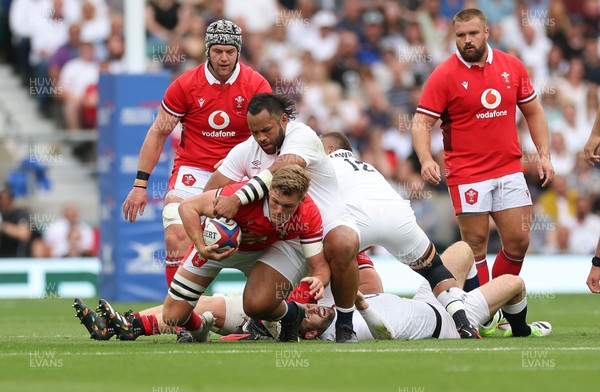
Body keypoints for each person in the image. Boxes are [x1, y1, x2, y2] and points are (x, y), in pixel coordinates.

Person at [85, 165, 330, 342]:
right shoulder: (238, 196)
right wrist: (201, 245)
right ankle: (198, 327)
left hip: (268, 249)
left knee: (256, 304)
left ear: (301, 200)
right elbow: (187, 206)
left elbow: (318, 265)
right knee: (173, 315)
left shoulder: (308, 213)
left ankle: (291, 314)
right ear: (269, 191)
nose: (278, 209)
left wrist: (319, 278)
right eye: (274, 201)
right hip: (216, 247)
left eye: (287, 206)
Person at [411, 8, 555, 286]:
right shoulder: (443, 75)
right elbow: (420, 122)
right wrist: (426, 159)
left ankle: (494, 301)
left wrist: (544, 156)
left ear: (486, 33)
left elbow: (534, 111)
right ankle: (485, 312)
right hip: (467, 173)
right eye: (461, 35)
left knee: (518, 242)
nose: (467, 40)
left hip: (509, 168)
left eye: (473, 33)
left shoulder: (512, 66)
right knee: (475, 246)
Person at [121, 20, 271, 286]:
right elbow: (158, 132)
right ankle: (181, 320)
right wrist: (139, 185)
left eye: (230, 52)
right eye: (217, 51)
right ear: (207, 51)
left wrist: (248, 165)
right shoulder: (186, 85)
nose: (224, 58)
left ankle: (266, 312)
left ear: (238, 51)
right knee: (174, 233)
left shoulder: (256, 84)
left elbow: (269, 135)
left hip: (241, 173)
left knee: (262, 242)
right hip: (194, 170)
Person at [208, 93, 362, 343]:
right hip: (286, 237)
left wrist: (237, 199)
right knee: (255, 304)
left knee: (343, 242)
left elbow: (284, 168)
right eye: (254, 132)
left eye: (266, 130)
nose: (260, 138)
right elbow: (210, 194)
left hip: (327, 226)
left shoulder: (302, 136)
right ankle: (286, 317)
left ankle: (345, 326)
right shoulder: (247, 149)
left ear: (283, 120)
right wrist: (234, 227)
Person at [319, 132, 480, 339]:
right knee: (435, 269)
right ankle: (464, 323)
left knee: (323, 257)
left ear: (331, 150)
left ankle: (341, 328)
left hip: (357, 217)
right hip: (397, 215)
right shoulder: (367, 166)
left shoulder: (321, 164)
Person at [300, 241, 552, 341]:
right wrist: (362, 305)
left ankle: (484, 320)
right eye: (308, 315)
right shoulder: (342, 331)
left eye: (308, 307)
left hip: (427, 299)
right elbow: (385, 336)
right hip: (446, 325)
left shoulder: (332, 309)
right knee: (514, 283)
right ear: (311, 334)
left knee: (463, 249)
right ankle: (523, 331)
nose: (313, 307)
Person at [0, 185, 32, 258]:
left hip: (15, 260)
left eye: (2, 197)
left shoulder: (20, 214)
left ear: (10, 198)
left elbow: (25, 234)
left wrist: (3, 226)